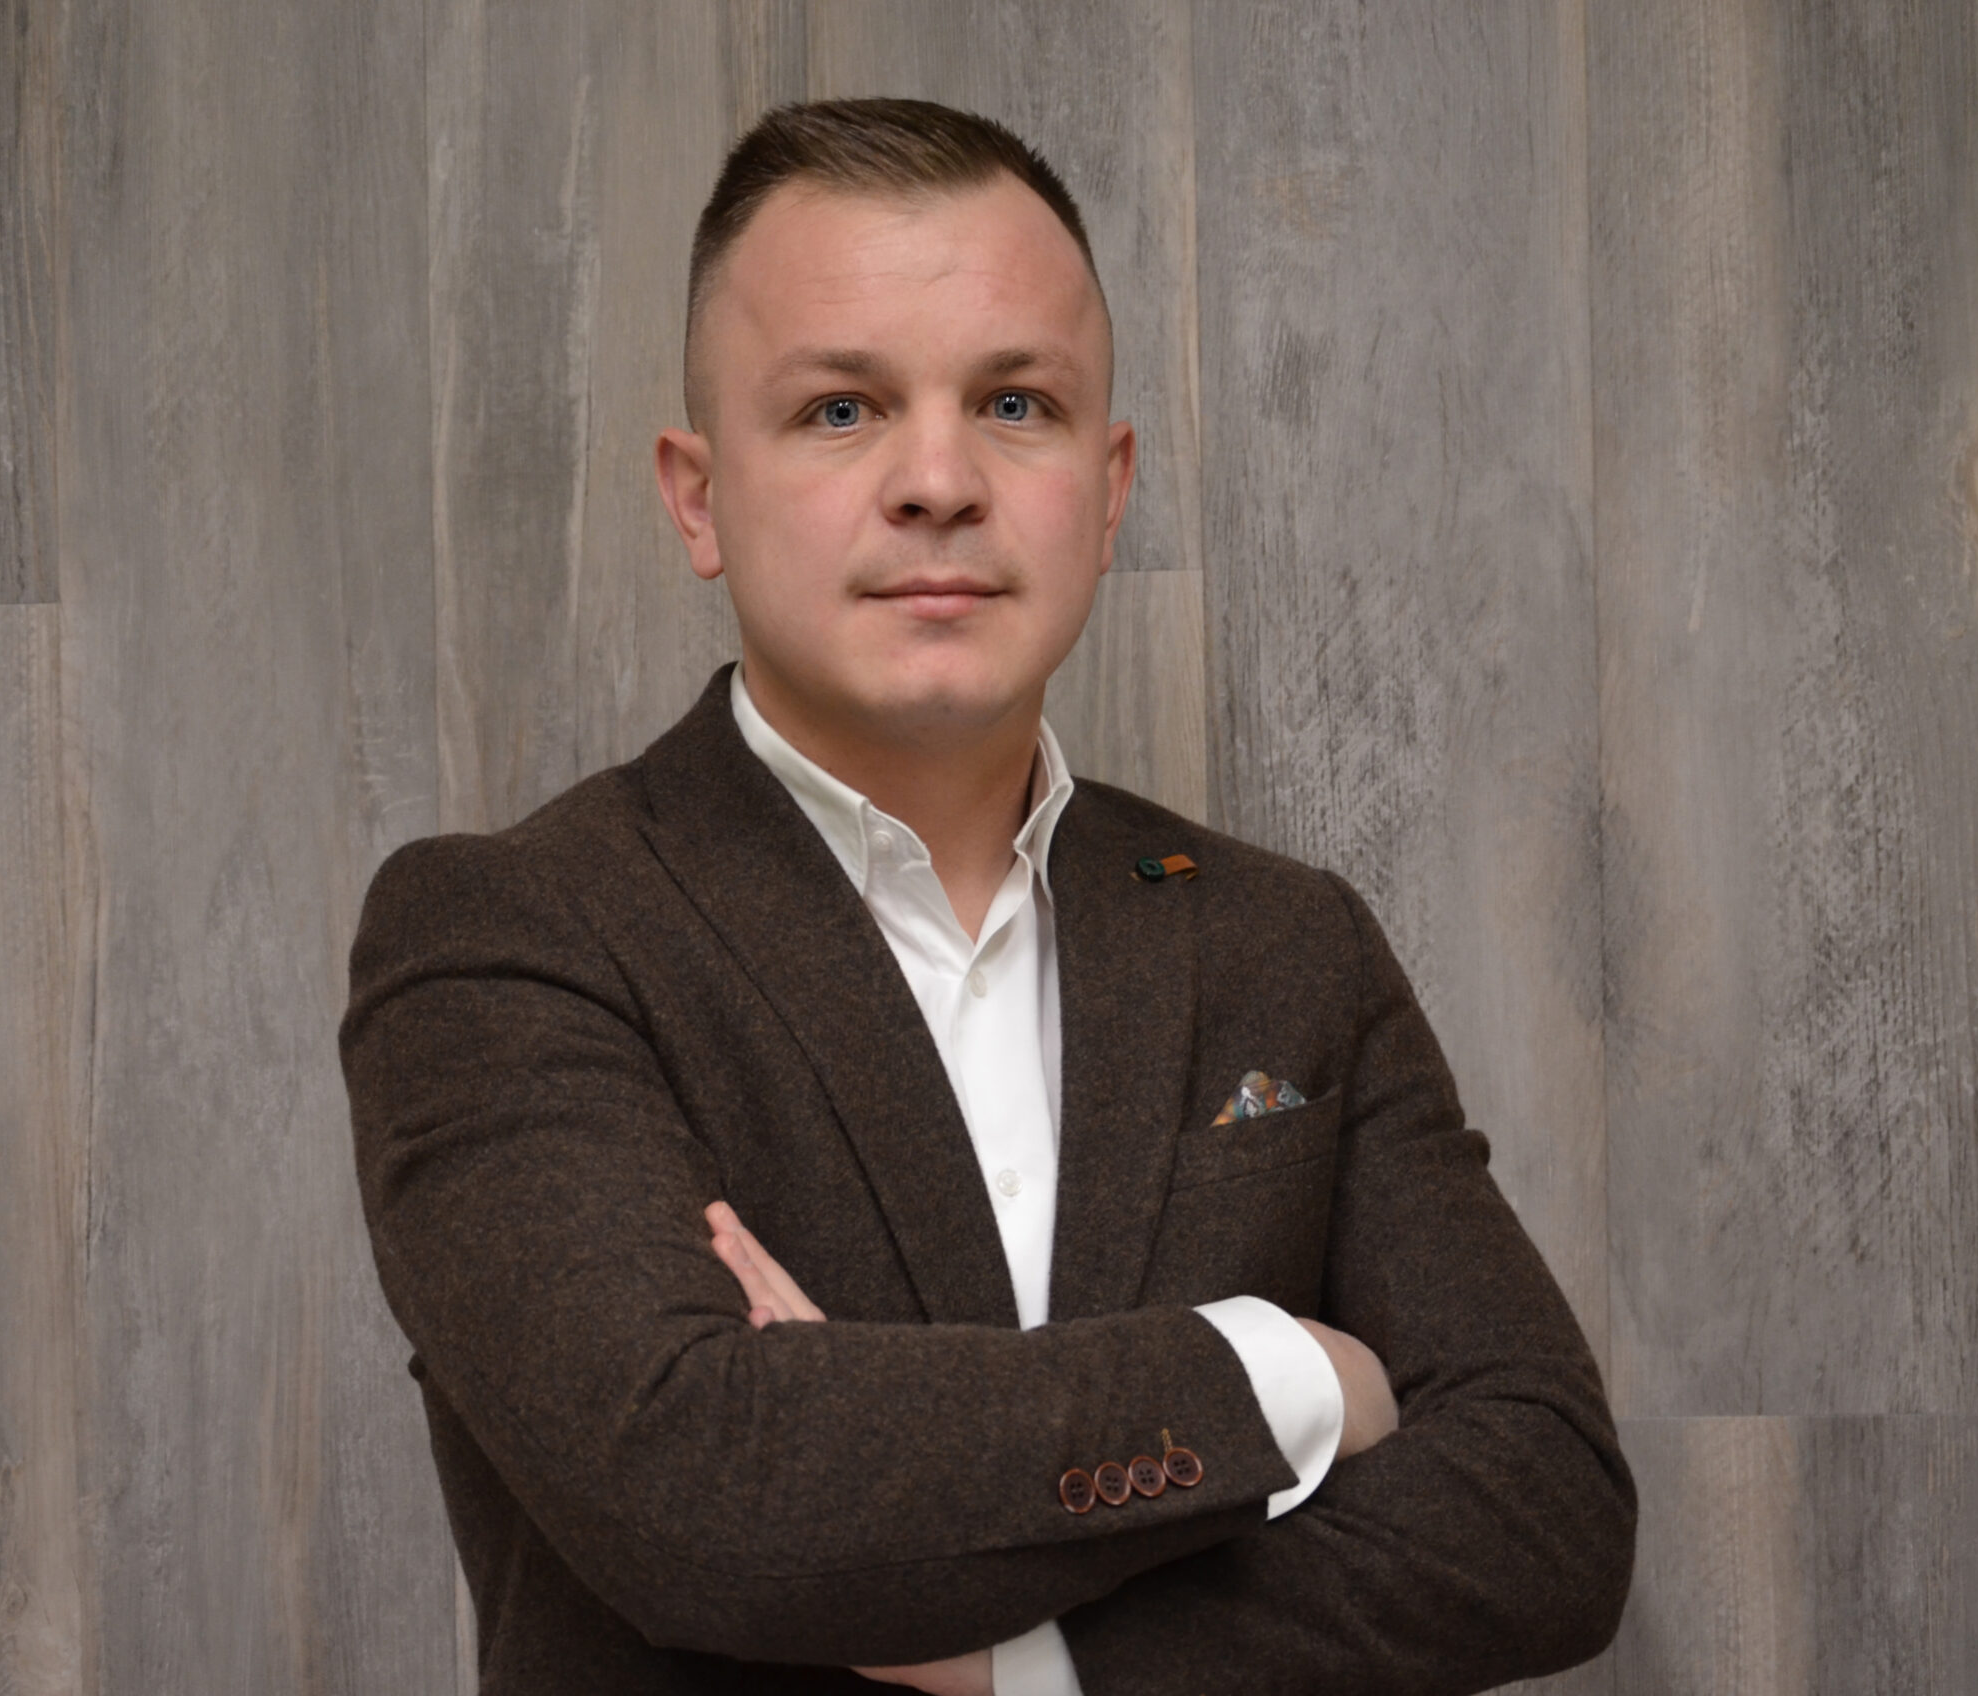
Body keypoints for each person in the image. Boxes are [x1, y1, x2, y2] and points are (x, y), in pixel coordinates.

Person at [339, 97, 1634, 1695]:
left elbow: (1548, 1514)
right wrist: (1285, 1370)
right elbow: (705, 1500)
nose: (939, 480)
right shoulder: (509, 941)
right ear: (696, 496)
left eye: (1016, 404)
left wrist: (1015, 1657)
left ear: (1108, 485)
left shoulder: (1285, 945)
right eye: (840, 410)